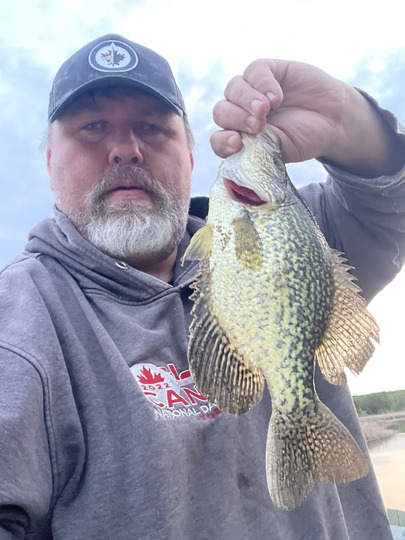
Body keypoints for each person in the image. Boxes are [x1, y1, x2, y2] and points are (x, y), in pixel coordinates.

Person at [0, 33, 404, 540]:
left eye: (152, 127)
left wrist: (349, 120)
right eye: (92, 128)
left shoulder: (306, 236)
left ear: (191, 158)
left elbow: (389, 203)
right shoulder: (17, 327)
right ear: (49, 165)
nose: (125, 150)